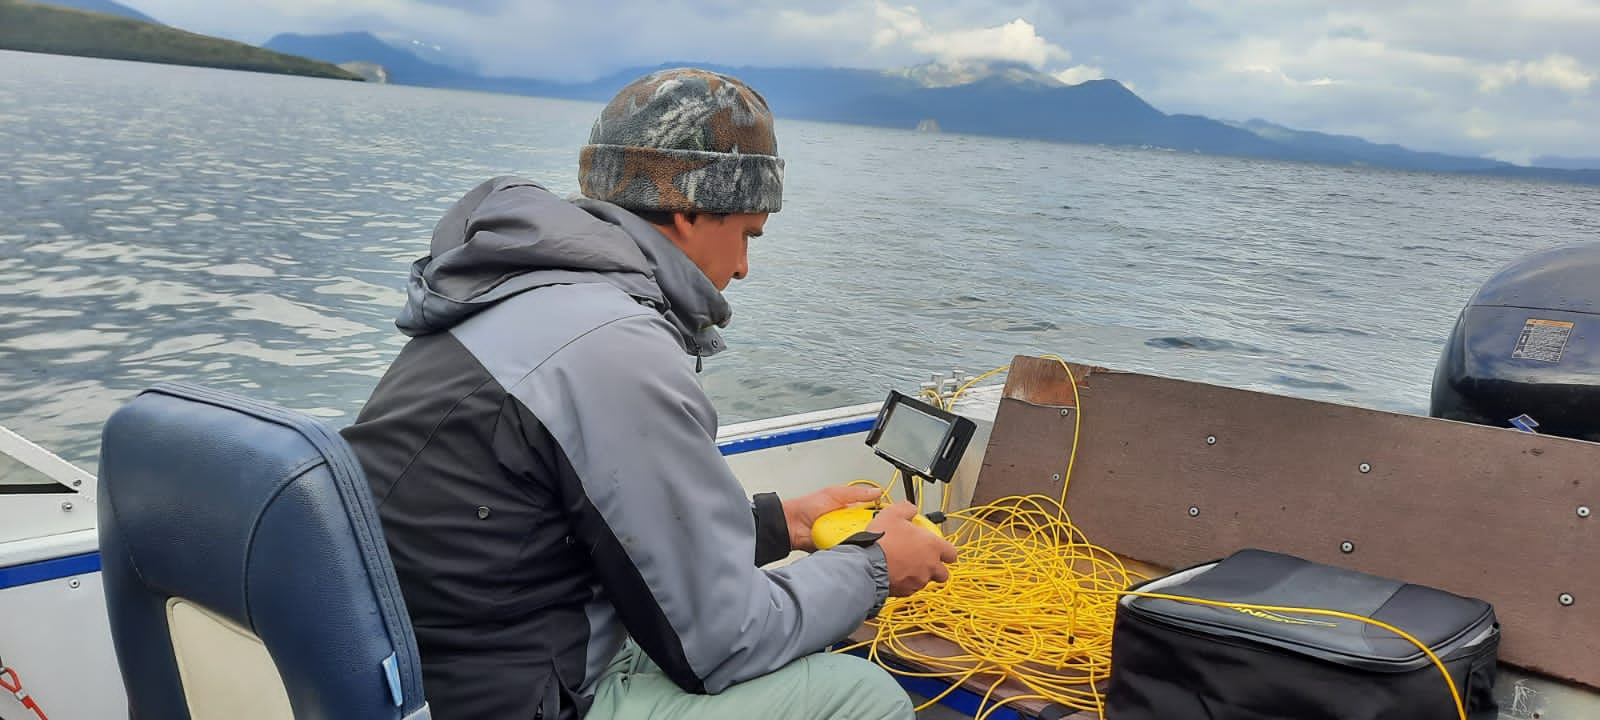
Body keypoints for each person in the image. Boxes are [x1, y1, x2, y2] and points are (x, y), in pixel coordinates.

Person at [340, 67, 959, 720]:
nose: (744, 267)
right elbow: (723, 644)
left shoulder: (524, 293)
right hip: (513, 697)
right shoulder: (614, 346)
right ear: (689, 209)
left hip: (452, 666)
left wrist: (787, 524)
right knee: (862, 697)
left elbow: (598, 534)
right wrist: (877, 567)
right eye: (747, 234)